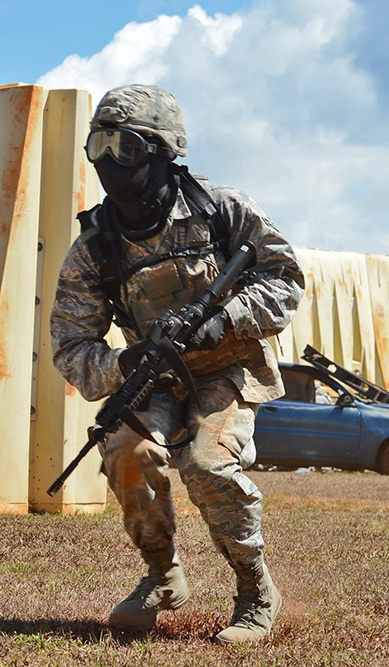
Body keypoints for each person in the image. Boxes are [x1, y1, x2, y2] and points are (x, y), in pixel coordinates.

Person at [49, 84, 304, 643]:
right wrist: (127, 359)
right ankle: (163, 576)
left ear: (165, 153)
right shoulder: (95, 247)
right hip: (155, 374)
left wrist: (227, 318)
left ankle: (255, 587)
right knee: (126, 451)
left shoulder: (221, 211)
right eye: (99, 145)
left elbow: (286, 280)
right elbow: (70, 347)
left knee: (208, 465)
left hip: (228, 369)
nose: (111, 161)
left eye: (129, 148)